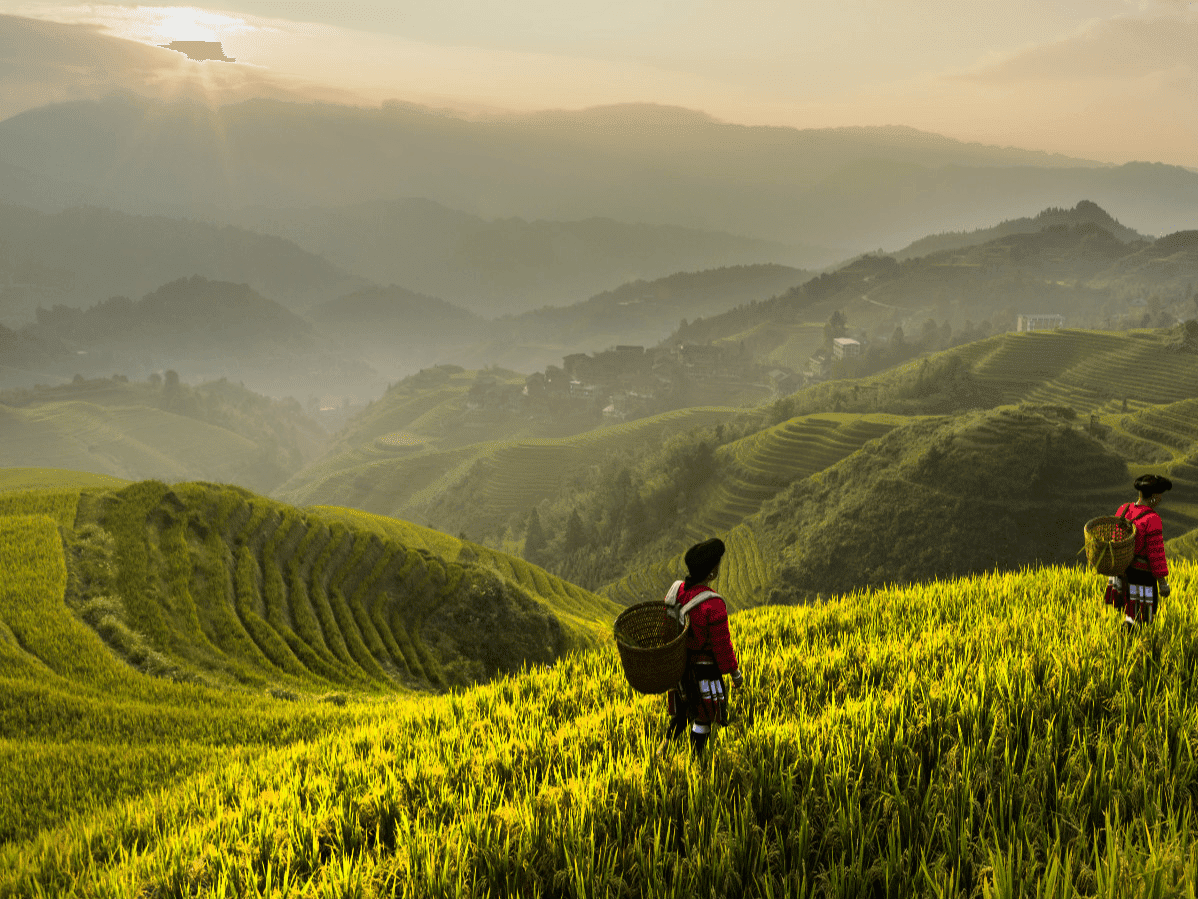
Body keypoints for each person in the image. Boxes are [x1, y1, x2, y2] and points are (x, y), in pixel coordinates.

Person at [663, 538, 744, 756]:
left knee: (682, 712)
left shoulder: (677, 591)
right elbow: (722, 646)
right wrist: (735, 673)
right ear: (711, 571)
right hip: (704, 672)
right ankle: (697, 760)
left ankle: (662, 750)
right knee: (702, 717)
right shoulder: (713, 604)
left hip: (681, 668)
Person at [1108, 474, 1173, 629]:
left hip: (1123, 570)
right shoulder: (1152, 519)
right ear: (1154, 496)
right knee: (1140, 617)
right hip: (1141, 575)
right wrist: (1162, 583)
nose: (1161, 499)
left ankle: (1126, 636)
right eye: (1160, 495)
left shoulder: (1124, 509)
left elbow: (1116, 537)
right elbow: (1155, 554)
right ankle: (1131, 638)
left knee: (1129, 610)